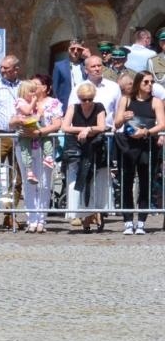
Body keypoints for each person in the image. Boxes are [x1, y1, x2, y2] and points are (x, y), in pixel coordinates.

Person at [114, 71, 165, 234]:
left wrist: (147, 132)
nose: (150, 85)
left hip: (147, 145)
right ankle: (128, 221)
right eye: (146, 82)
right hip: (129, 145)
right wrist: (123, 117)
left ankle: (142, 221)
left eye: (151, 82)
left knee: (145, 183)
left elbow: (162, 124)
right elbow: (116, 123)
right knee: (126, 182)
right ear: (138, 83)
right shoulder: (126, 99)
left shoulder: (156, 101)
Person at [11, 78, 62, 233]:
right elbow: (11, 121)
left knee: (44, 184)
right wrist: (17, 121)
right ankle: (31, 219)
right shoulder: (22, 102)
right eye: (31, 88)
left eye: (36, 87)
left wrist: (39, 132)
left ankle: (41, 219)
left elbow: (57, 124)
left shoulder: (52, 103)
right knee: (29, 182)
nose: (33, 90)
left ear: (44, 87)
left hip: (43, 146)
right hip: (25, 145)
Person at [60, 80, 111, 231]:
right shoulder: (73, 107)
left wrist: (88, 129)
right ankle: (83, 215)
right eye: (84, 99)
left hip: (95, 147)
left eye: (90, 99)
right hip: (77, 148)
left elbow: (102, 126)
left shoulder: (99, 106)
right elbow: (65, 127)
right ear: (79, 98)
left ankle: (93, 214)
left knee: (94, 182)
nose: (87, 102)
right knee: (79, 182)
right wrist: (83, 130)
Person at [50, 39, 85, 113]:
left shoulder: (86, 64)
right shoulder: (59, 66)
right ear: (68, 50)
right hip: (65, 105)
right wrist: (57, 108)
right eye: (73, 49)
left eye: (78, 49)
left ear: (82, 51)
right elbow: (55, 88)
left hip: (84, 103)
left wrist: (89, 56)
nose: (75, 51)